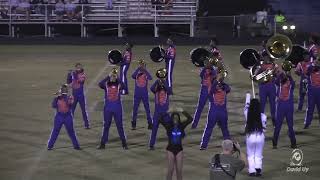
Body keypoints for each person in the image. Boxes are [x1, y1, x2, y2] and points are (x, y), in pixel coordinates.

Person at [97, 68, 128, 150]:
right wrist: (108, 76)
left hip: (117, 109)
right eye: (112, 76)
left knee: (120, 126)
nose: (113, 78)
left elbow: (124, 86)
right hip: (107, 109)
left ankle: (124, 143)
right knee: (106, 126)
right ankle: (103, 144)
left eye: (114, 77)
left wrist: (117, 77)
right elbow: (100, 84)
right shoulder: (106, 84)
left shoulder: (119, 85)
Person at [159, 107, 192, 180]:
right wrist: (167, 112)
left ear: (179, 119)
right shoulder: (168, 126)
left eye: (177, 118)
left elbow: (190, 119)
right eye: (174, 118)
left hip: (179, 150)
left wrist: (182, 111)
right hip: (170, 150)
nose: (175, 119)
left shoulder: (182, 126)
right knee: (170, 170)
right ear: (172, 118)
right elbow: (160, 119)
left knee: (179, 171)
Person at [200, 73, 231, 150]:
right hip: (214, 111)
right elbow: (212, 90)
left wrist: (221, 82)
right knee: (209, 128)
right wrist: (216, 81)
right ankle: (204, 145)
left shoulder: (224, 87)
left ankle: (229, 146)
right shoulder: (211, 89)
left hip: (223, 111)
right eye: (217, 81)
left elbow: (228, 88)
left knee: (225, 129)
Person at [47, 84, 81, 150]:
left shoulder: (70, 97)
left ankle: (76, 146)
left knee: (71, 132)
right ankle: (50, 145)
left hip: (67, 116)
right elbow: (53, 105)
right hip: (59, 116)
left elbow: (69, 103)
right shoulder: (58, 98)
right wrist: (56, 98)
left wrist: (63, 96)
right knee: (55, 131)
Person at [243, 93, 266, 176]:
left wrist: (248, 96)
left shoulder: (247, 114)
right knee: (258, 153)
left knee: (250, 154)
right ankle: (258, 167)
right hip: (260, 136)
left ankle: (252, 170)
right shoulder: (263, 116)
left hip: (250, 136)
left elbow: (246, 106)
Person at [273, 71, 297, 149]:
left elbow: (292, 83)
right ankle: (293, 143)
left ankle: (275, 143)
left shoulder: (284, 84)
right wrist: (283, 75)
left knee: (281, 126)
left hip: (282, 106)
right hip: (287, 106)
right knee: (287, 126)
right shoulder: (283, 83)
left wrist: (286, 76)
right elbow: (276, 81)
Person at [149, 68, 171, 150]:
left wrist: (164, 82)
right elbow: (151, 88)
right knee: (154, 129)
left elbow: (169, 91)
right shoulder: (156, 89)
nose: (162, 77)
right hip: (157, 113)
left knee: (169, 129)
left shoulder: (166, 89)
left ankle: (171, 144)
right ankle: (151, 145)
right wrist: (157, 81)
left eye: (163, 76)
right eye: (161, 76)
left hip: (165, 113)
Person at [192, 59, 217, 129]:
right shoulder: (203, 69)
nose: (207, 64)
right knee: (200, 107)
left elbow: (215, 76)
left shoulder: (213, 70)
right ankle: (194, 123)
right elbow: (201, 75)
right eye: (205, 63)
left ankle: (216, 123)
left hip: (211, 90)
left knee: (214, 108)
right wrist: (205, 68)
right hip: (204, 89)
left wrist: (211, 69)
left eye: (208, 63)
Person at [257, 53, 278, 127]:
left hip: (271, 87)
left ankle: (274, 120)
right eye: (264, 58)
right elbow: (257, 77)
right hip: (263, 87)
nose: (266, 59)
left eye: (267, 58)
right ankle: (260, 120)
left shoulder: (273, 66)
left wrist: (275, 71)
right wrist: (265, 75)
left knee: (273, 104)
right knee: (262, 104)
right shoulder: (261, 66)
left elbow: (277, 76)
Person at [131, 59, 153, 130]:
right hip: (137, 94)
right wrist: (138, 69)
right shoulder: (137, 73)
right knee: (135, 109)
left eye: (142, 64)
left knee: (147, 109)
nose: (141, 65)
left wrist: (144, 70)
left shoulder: (146, 73)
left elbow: (150, 78)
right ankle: (133, 123)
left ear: (145, 66)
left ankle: (150, 123)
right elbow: (133, 76)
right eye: (140, 64)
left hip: (144, 94)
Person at [66, 63, 90, 129]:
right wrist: (69, 75)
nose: (79, 68)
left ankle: (86, 124)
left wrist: (73, 74)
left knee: (83, 110)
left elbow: (80, 81)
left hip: (80, 95)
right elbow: (68, 82)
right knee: (72, 110)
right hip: (74, 95)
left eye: (80, 67)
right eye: (77, 67)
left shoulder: (82, 74)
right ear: (76, 68)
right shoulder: (73, 74)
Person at [304, 59, 320, 129]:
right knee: (310, 108)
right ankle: (307, 123)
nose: (317, 62)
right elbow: (307, 73)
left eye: (318, 61)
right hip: (312, 90)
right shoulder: (310, 68)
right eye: (316, 61)